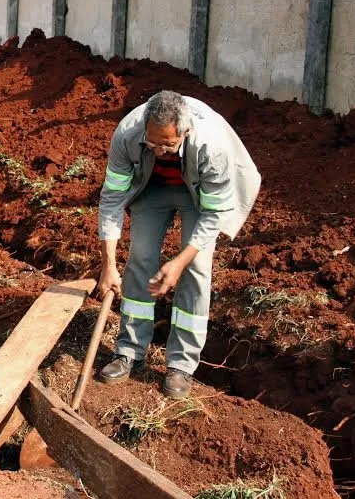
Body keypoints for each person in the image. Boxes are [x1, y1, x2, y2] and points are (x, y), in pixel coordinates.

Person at [96, 90, 260, 398]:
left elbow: (212, 216)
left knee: (195, 268)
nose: (158, 150)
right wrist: (108, 265)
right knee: (140, 258)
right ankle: (129, 350)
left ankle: (181, 365)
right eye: (152, 143)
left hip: (196, 193)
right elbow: (112, 198)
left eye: (168, 144)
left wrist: (179, 262)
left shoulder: (212, 146)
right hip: (152, 187)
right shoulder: (128, 133)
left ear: (184, 133)